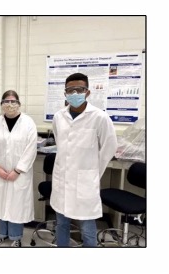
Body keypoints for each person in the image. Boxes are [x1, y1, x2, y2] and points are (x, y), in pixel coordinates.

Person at [50, 72, 118, 247]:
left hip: (85, 183)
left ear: (87, 92)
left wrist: (92, 172)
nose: (74, 94)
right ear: (65, 93)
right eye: (70, 90)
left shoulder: (100, 117)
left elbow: (109, 148)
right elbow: (60, 143)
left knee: (88, 229)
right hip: (62, 180)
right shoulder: (59, 117)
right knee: (62, 224)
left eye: (79, 89)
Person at [0, 90, 37, 247]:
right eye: (6, 101)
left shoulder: (28, 123)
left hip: (19, 174)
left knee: (16, 205)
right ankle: (2, 234)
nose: (10, 105)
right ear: (1, 105)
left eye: (13, 101)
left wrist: (17, 170)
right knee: (1, 203)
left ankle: (16, 237)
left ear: (19, 104)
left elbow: (31, 149)